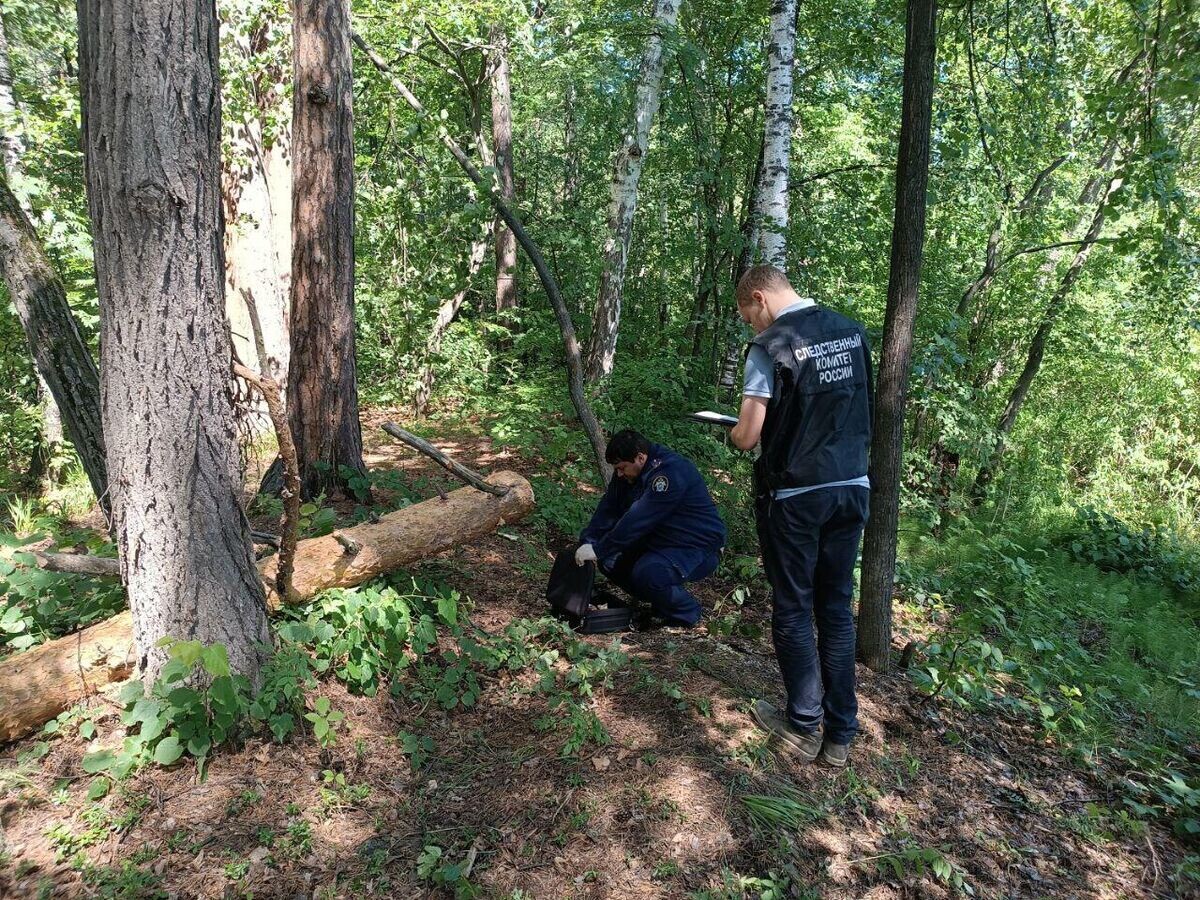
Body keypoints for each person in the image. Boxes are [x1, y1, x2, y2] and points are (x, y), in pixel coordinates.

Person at [729, 264, 873, 768]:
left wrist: (733, 431)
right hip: (852, 487)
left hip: (796, 494)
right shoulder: (852, 332)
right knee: (835, 608)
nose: (752, 326)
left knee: (793, 606)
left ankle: (802, 725)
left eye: (749, 316)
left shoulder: (770, 346)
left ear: (760, 298)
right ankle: (840, 735)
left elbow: (748, 437)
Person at [576, 430, 726, 628]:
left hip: (696, 546)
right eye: (617, 469)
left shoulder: (669, 473)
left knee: (648, 573)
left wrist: (599, 548)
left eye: (622, 468)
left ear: (640, 457)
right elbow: (609, 508)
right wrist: (588, 542)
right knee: (611, 560)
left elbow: (638, 519)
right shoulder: (627, 473)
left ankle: (686, 613)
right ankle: (659, 600)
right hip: (661, 541)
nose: (619, 474)